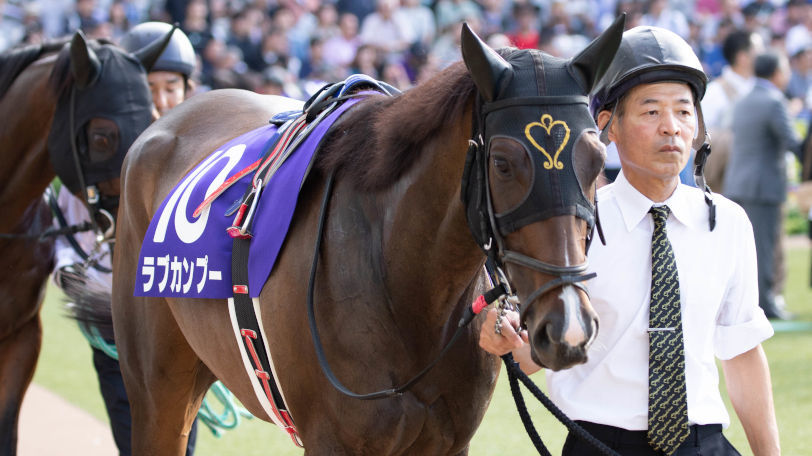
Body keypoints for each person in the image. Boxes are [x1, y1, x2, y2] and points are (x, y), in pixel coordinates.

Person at [480, 26, 780, 456]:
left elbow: (742, 352)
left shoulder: (728, 223)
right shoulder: (578, 225)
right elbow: (534, 355)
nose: (672, 128)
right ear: (607, 127)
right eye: (651, 112)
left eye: (683, 111)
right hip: (599, 443)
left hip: (704, 442)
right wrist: (501, 340)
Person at [51, 22, 199, 456]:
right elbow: (67, 225)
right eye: (149, 87)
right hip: (117, 321)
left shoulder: (201, 155)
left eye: (172, 87)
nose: (162, 99)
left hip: (181, 319)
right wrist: (73, 272)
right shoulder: (110, 153)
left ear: (188, 89)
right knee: (134, 428)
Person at [723, 50, 802, 321]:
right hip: (764, 184)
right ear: (778, 73)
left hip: (738, 182)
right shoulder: (774, 101)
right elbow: (793, 141)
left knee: (744, 250)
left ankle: (746, 303)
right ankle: (766, 304)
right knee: (765, 247)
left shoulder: (743, 99)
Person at [700, 29, 762, 191]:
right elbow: (699, 140)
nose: (763, 55)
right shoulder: (715, 92)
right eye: (758, 51)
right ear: (743, 57)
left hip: (754, 184)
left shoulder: (759, 90)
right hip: (722, 186)